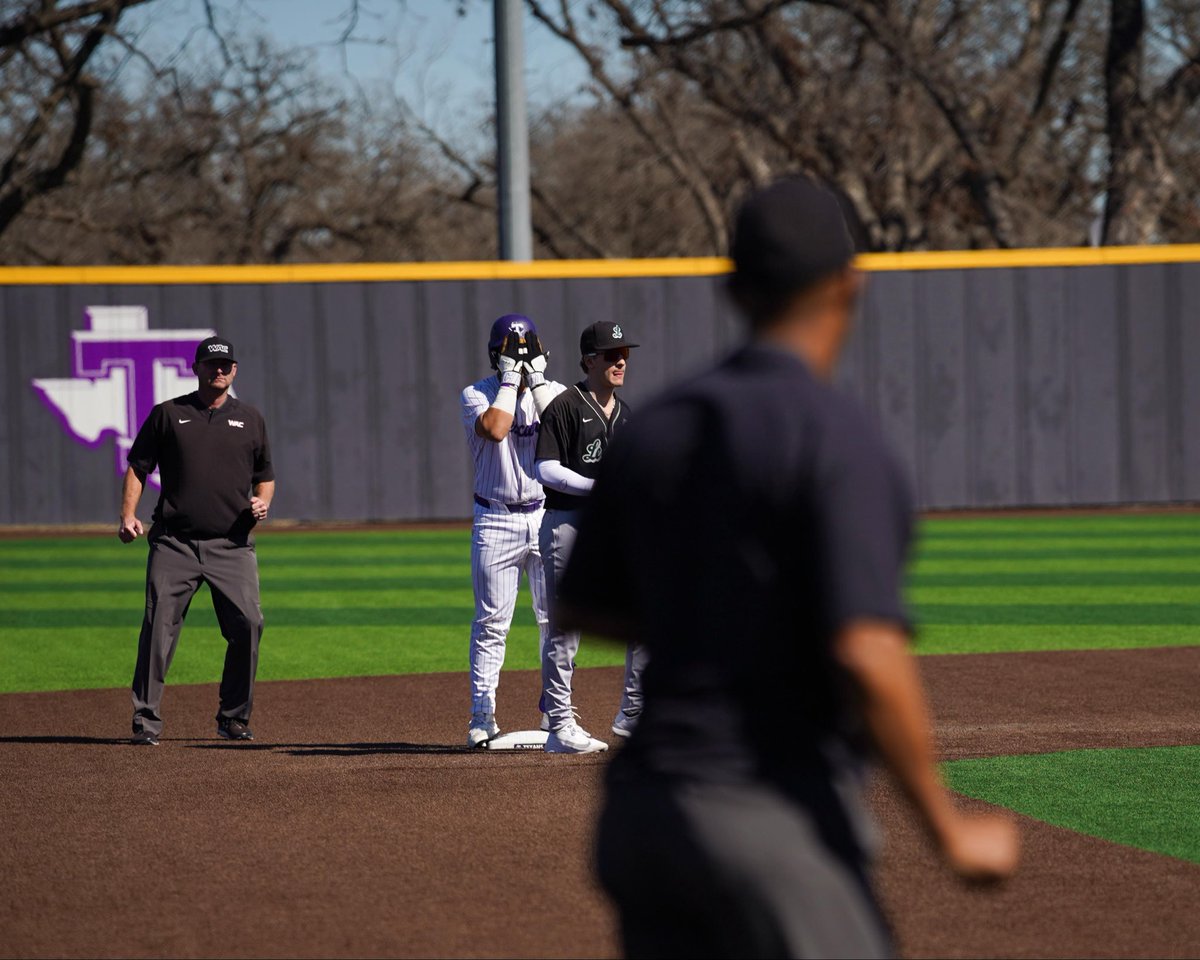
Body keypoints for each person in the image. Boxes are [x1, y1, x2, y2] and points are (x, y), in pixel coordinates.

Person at [556, 177, 1019, 956]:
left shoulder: (658, 426)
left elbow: (586, 608)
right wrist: (949, 829)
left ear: (733, 289)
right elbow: (868, 652)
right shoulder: (838, 437)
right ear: (850, 284)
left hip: (642, 819)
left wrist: (710, 604)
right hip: (765, 810)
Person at [119, 335, 274, 746]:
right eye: (211, 365)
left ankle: (233, 717)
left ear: (234, 370)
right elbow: (138, 467)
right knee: (158, 630)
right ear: (197, 368)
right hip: (175, 543)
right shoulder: (169, 414)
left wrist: (262, 502)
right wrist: (128, 515)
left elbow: (265, 476)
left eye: (225, 365)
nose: (218, 370)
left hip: (232, 544)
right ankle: (145, 720)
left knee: (249, 625)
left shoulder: (251, 418)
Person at [534, 320, 648, 754]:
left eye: (624, 354)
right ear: (588, 360)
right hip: (566, 523)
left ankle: (632, 715)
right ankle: (560, 725)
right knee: (566, 628)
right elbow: (545, 469)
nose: (620, 361)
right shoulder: (564, 406)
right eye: (610, 354)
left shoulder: (627, 413)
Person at [460, 314, 566, 747]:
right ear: (495, 355)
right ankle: (482, 715)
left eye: (525, 352)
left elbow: (560, 426)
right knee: (491, 622)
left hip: (543, 513)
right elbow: (497, 429)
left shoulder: (555, 392)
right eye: (510, 352)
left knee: (554, 620)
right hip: (496, 516)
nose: (520, 361)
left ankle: (556, 712)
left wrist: (535, 379)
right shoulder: (476, 394)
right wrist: (509, 380)